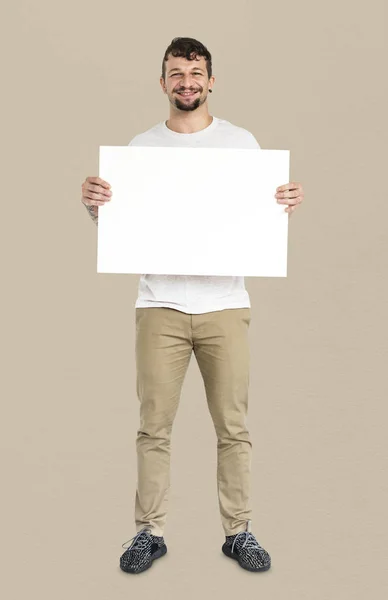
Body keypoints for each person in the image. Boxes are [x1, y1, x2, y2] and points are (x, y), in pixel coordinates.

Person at [81, 37, 304, 575]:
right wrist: (95, 210)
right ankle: (149, 532)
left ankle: (239, 531)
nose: (187, 82)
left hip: (225, 303)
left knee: (233, 425)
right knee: (153, 426)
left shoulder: (241, 143)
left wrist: (283, 208)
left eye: (196, 72)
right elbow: (121, 228)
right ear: (163, 83)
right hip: (159, 303)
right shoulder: (140, 148)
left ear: (211, 81)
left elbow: (255, 222)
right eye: (176, 73)